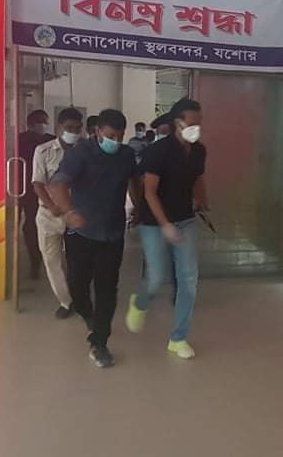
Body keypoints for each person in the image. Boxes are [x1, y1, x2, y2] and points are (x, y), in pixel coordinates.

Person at [50, 109, 140, 368]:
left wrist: (139, 206)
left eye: (120, 136)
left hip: (112, 234)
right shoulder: (81, 153)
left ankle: (99, 342)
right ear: (98, 131)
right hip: (81, 233)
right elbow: (58, 184)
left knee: (107, 289)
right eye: (111, 135)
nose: (116, 141)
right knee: (77, 285)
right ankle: (86, 313)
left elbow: (133, 180)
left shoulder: (126, 155)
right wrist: (70, 212)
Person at [126, 98, 208, 360]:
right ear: (178, 123)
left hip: (186, 219)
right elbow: (149, 192)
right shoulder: (158, 151)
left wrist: (201, 200)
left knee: (188, 281)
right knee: (157, 277)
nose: (196, 128)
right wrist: (165, 224)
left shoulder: (199, 150)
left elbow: (197, 178)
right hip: (154, 222)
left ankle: (178, 338)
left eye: (199, 123)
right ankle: (140, 302)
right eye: (192, 123)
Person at [32, 107, 83, 319]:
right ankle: (66, 301)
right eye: (69, 128)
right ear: (58, 127)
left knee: (77, 261)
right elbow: (38, 183)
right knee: (52, 261)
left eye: (77, 128)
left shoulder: (85, 151)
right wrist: (52, 205)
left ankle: (80, 298)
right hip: (49, 214)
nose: (74, 132)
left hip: (75, 215)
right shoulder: (43, 150)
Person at [19, 110, 55, 279]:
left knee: (44, 226)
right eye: (40, 121)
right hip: (25, 189)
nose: (43, 125)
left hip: (47, 189)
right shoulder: (20, 140)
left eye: (45, 121)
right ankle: (35, 262)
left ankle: (42, 260)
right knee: (30, 225)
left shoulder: (51, 140)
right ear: (30, 124)